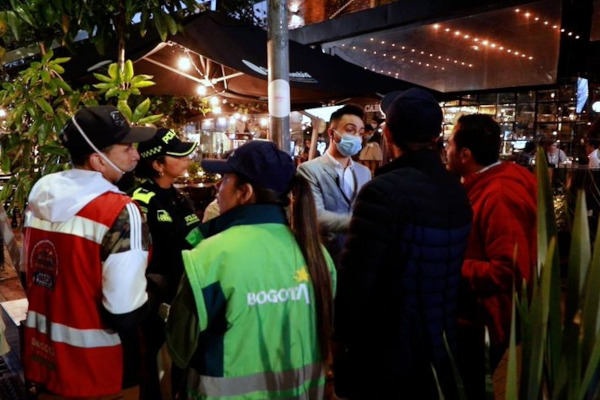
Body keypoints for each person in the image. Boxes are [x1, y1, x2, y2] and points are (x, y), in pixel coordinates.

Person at [165, 140, 336, 399]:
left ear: (244, 192)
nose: (217, 189)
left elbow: (179, 348)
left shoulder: (209, 257)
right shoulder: (317, 254)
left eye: (224, 181)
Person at [333, 88, 472, 399]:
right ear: (437, 136)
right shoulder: (456, 189)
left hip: (389, 352)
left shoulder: (382, 192)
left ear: (388, 133)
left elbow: (357, 279)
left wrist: (340, 340)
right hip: (441, 340)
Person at [22, 106, 156, 399]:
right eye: (127, 148)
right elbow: (124, 309)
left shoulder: (37, 200)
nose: (136, 155)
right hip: (101, 370)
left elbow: (30, 274)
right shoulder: (120, 211)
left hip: (44, 360)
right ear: (98, 160)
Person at [445, 114, 537, 398]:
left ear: (465, 154)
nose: (444, 149)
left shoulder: (498, 194)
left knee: (470, 388)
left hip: (486, 321)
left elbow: (508, 270)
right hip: (483, 316)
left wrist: (452, 264)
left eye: (449, 142)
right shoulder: (495, 180)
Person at [132, 127, 200, 400]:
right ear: (158, 164)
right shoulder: (141, 199)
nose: (187, 160)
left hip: (183, 289)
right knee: (153, 360)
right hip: (155, 296)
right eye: (178, 156)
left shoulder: (178, 196)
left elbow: (193, 237)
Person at [297, 104, 371, 265]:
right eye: (350, 130)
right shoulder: (309, 170)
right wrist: (363, 223)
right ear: (332, 133)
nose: (357, 138)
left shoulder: (364, 172)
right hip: (324, 257)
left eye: (360, 133)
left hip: (359, 256)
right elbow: (316, 217)